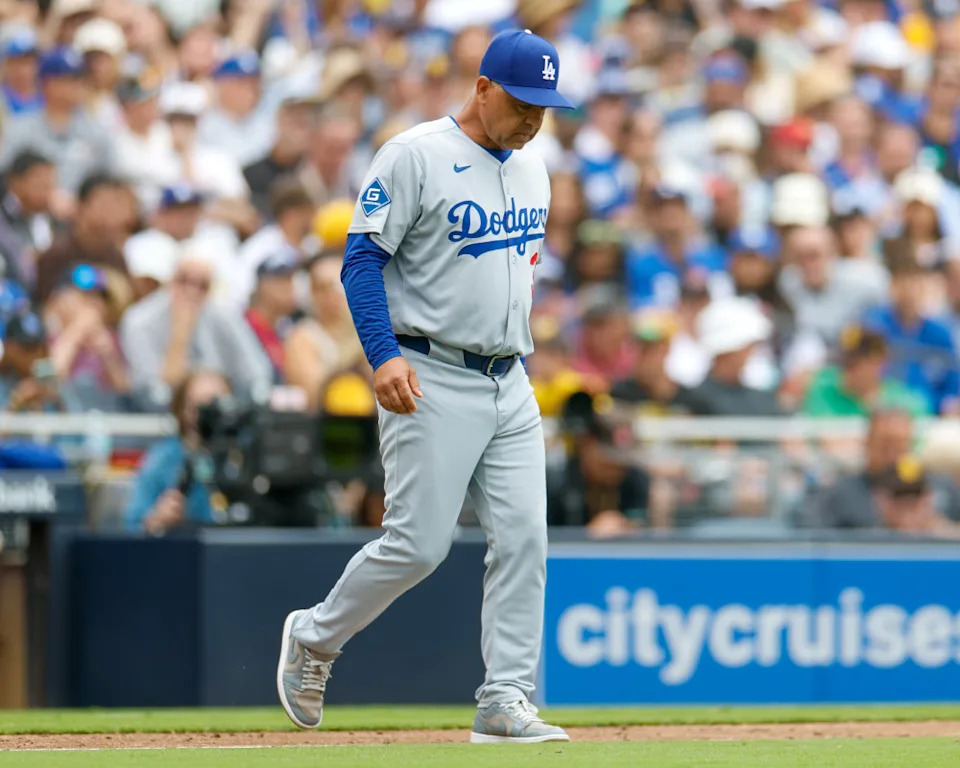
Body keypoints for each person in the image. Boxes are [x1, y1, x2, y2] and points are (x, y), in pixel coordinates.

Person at [277, 29, 574, 744]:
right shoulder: (415, 154)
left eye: (545, 104)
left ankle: (505, 698)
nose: (534, 117)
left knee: (526, 538)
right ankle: (315, 638)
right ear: (482, 87)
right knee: (417, 546)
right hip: (430, 372)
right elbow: (360, 261)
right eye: (522, 100)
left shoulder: (535, 170)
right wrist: (380, 354)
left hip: (510, 377)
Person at [119, 250, 272, 410]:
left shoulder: (224, 316)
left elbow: (257, 374)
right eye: (184, 281)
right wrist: (180, 334)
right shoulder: (140, 320)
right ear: (170, 281)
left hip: (221, 411)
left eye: (202, 286)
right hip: (164, 417)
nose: (191, 292)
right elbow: (155, 395)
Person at [124, 369, 231, 535]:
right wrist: (156, 520)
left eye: (218, 404)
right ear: (182, 410)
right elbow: (132, 528)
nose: (211, 414)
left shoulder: (242, 458)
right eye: (199, 405)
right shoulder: (163, 460)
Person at [283, 252, 365, 412]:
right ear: (312, 292)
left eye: (338, 286)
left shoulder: (363, 329)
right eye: (324, 288)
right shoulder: (302, 336)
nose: (332, 295)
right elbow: (311, 396)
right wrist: (353, 345)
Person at [34, 174, 131, 303]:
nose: (111, 212)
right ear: (81, 206)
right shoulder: (56, 255)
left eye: (116, 205)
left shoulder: (117, 259)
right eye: (104, 204)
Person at [802, 325, 930, 418]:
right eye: (844, 363)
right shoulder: (824, 390)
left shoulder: (901, 400)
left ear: (878, 361)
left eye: (854, 364)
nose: (847, 371)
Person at [245, 249, 300, 381]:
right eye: (282, 280)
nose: (290, 287)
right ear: (262, 286)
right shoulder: (246, 326)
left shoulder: (286, 327)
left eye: (291, 279)